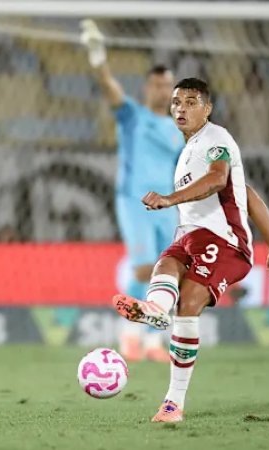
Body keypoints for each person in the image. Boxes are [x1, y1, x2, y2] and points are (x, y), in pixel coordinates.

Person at [111, 78, 269, 423]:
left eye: (191, 102)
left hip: (225, 240)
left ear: (207, 109)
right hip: (191, 236)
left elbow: (218, 179)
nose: (181, 108)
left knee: (189, 303)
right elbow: (247, 194)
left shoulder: (215, 139)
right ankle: (156, 310)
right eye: (176, 102)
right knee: (165, 265)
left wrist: (169, 199)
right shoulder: (187, 151)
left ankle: (173, 403)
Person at [80, 20, 185, 362]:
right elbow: (108, 86)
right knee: (143, 269)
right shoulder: (132, 116)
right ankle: (129, 336)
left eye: (167, 85)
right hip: (133, 201)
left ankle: (153, 343)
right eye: (157, 85)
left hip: (166, 206)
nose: (162, 90)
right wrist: (98, 59)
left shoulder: (179, 131)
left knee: (166, 272)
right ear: (146, 88)